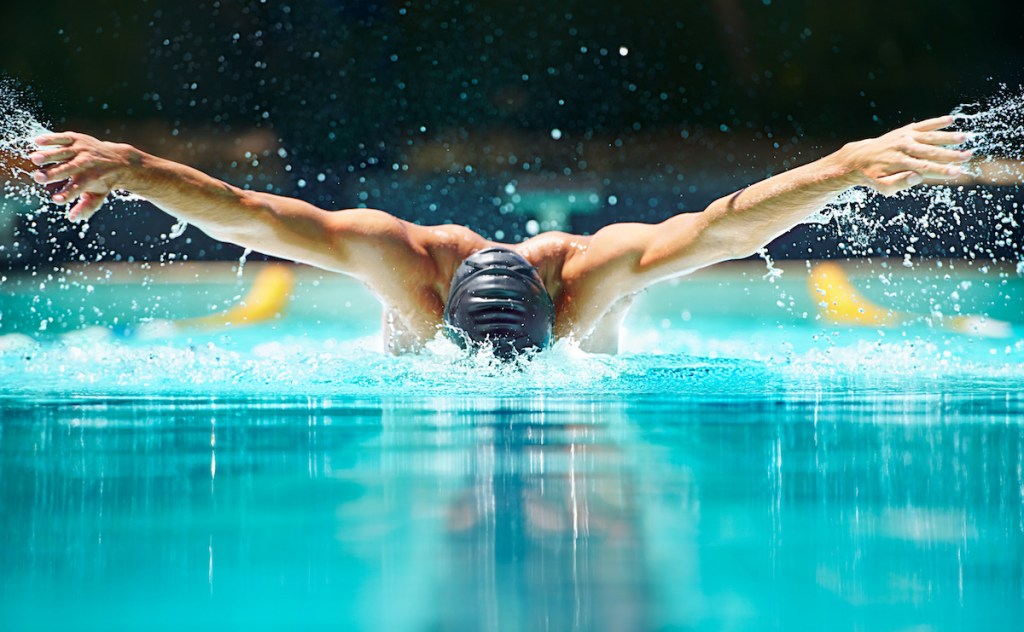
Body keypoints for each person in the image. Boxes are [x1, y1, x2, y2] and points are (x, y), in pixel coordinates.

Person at [27, 116, 971, 357]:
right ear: (439, 308)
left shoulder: (595, 271)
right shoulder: (402, 261)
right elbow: (253, 210)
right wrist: (138, 167)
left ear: (557, 312)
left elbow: (722, 227)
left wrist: (844, 166)